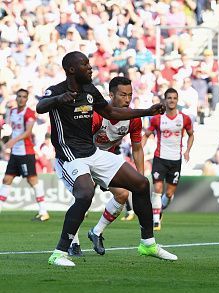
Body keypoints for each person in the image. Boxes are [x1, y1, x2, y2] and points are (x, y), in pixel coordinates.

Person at [37, 51, 176, 267]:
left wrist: (146, 111)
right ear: (72, 69)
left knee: (140, 183)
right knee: (85, 194)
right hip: (70, 156)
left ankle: (147, 244)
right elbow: (40, 107)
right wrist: (57, 99)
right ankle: (59, 253)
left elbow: (111, 113)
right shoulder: (56, 90)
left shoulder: (90, 90)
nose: (90, 67)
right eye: (85, 64)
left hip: (92, 153)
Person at [68, 77, 145, 256]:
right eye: (123, 95)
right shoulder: (97, 115)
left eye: (130, 95)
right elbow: (81, 140)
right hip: (83, 157)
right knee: (83, 198)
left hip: (106, 159)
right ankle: (73, 241)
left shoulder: (133, 118)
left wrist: (140, 178)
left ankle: (96, 232)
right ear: (111, 95)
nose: (127, 99)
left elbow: (137, 148)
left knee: (123, 194)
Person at [143, 88, 194, 231]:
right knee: (157, 189)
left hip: (175, 160)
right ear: (165, 100)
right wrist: (139, 149)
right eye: (169, 98)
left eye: (174, 98)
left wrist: (187, 150)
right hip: (160, 158)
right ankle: (155, 221)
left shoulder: (184, 118)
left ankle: (160, 210)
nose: (172, 100)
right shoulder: (157, 119)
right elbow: (146, 134)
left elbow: (191, 135)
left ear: (177, 100)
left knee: (170, 193)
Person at [0, 89, 48, 221]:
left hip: (26, 153)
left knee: (32, 181)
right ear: (16, 97)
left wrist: (12, 141)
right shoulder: (13, 112)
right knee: (7, 179)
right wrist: (9, 143)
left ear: (27, 99)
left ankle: (43, 212)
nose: (21, 99)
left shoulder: (29, 113)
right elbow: (13, 131)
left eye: (24, 97)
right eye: (19, 96)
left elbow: (28, 133)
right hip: (15, 153)